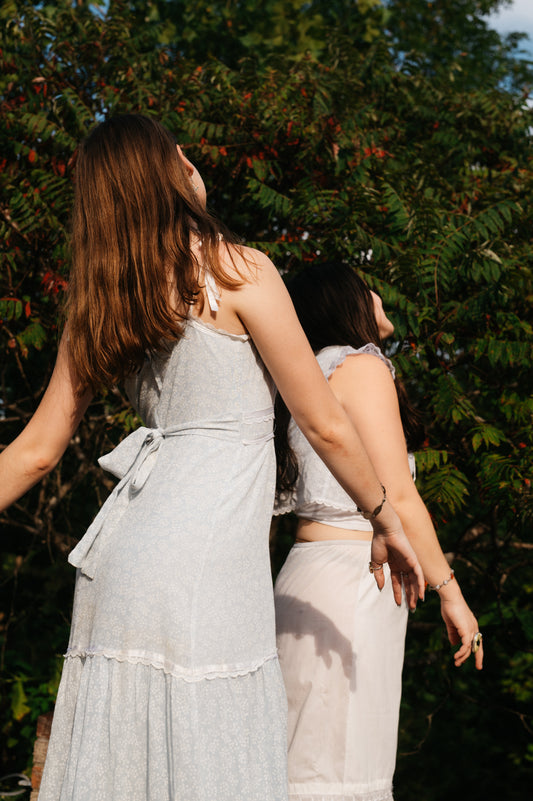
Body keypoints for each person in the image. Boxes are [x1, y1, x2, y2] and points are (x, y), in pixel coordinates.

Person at [0, 115, 424, 801]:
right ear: (165, 171)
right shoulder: (237, 268)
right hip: (207, 567)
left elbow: (34, 452)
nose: (193, 160)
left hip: (122, 566)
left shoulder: (104, 299)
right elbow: (324, 423)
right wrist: (383, 514)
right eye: (179, 151)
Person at [273, 262, 483, 801]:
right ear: (345, 302)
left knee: (300, 761)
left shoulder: (302, 374)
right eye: (367, 287)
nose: (377, 294)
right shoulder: (362, 366)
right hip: (355, 580)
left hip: (302, 577)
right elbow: (399, 496)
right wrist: (451, 594)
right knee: (340, 769)